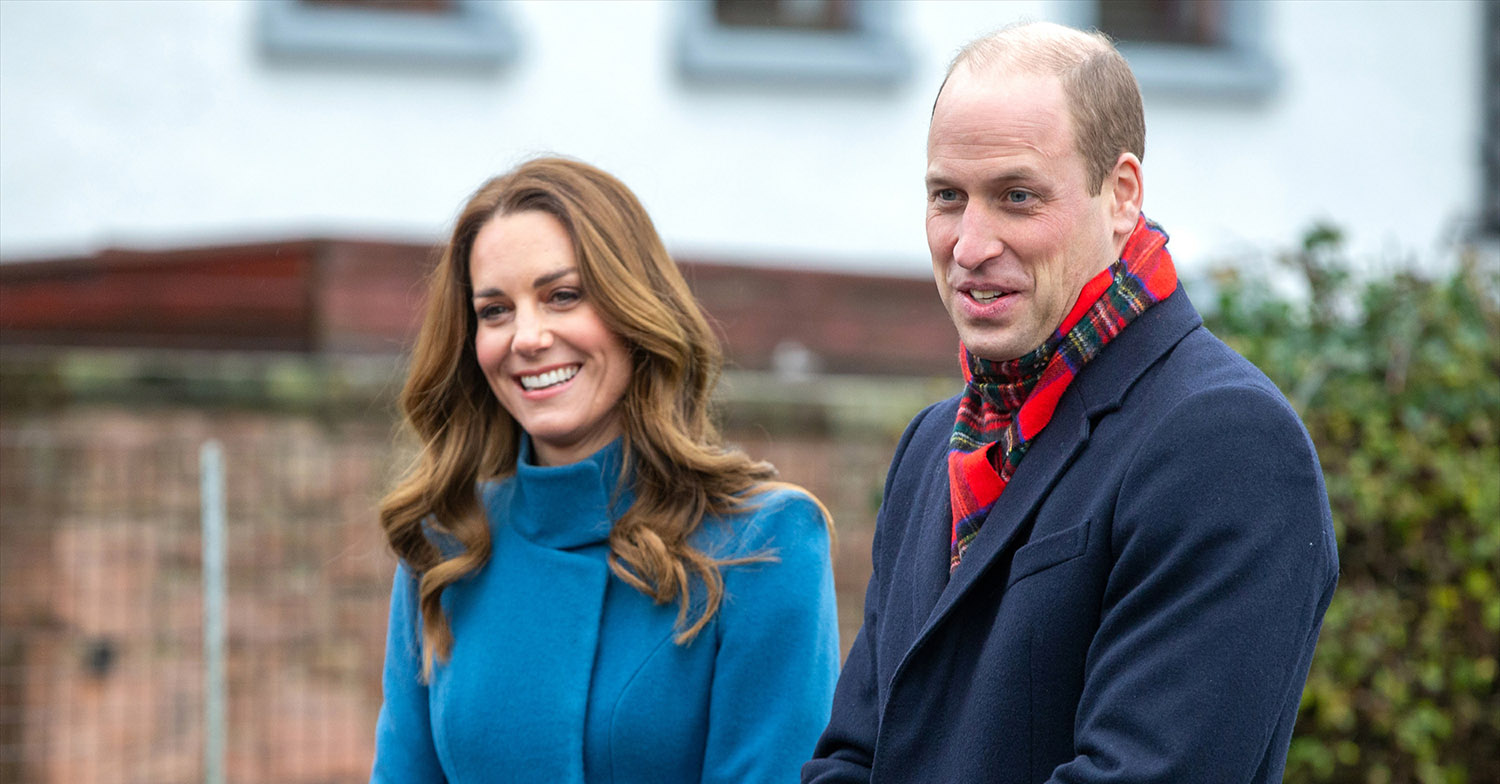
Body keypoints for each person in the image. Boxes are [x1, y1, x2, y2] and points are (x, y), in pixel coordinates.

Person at [804, 22, 1338, 784]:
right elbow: (853, 758)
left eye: (1017, 197)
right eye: (947, 197)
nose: (970, 244)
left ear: (1120, 195)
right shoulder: (934, 448)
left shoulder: (1227, 441)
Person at [371, 157, 840, 783]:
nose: (527, 337)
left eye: (562, 296)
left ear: (633, 311)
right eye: (495, 310)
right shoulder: (448, 545)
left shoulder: (766, 543)